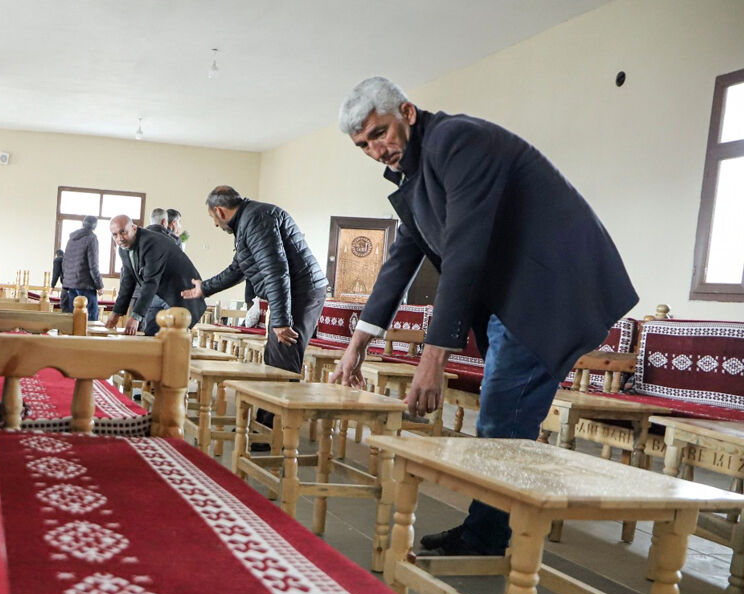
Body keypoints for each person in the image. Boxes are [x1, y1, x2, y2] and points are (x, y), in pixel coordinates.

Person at [330, 76, 637, 557]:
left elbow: (464, 252)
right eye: (363, 144)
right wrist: (357, 343)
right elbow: (402, 258)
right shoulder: (417, 174)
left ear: (407, 113)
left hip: (547, 289)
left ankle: (488, 538)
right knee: (502, 416)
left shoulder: (457, 140)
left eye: (379, 133)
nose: (375, 150)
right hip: (513, 295)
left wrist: (434, 360)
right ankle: (487, 531)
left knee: (501, 416)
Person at [181, 185, 327, 383]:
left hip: (300, 291)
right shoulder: (248, 219)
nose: (215, 224)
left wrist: (282, 321)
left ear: (219, 211)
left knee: (281, 363)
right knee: (274, 359)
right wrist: (205, 288)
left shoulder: (255, 219)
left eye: (212, 218)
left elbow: (275, 270)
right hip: (293, 291)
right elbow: (239, 268)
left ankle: (279, 413)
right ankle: (268, 413)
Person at [106, 215, 205, 334]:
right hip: (158, 293)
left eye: (123, 232)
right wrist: (116, 312)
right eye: (115, 235)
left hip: (180, 294)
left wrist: (135, 317)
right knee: (150, 336)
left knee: (173, 340)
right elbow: (128, 281)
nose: (120, 238)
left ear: (134, 228)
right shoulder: (123, 248)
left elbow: (151, 281)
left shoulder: (152, 242)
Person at [60, 217, 104, 320]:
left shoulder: (71, 239)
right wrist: (99, 285)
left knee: (73, 321)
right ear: (95, 226)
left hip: (70, 285)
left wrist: (65, 281)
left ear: (83, 224)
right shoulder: (92, 238)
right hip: (85, 286)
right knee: (89, 321)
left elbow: (65, 261)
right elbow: (93, 265)